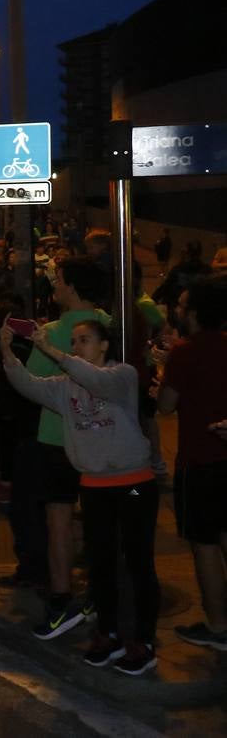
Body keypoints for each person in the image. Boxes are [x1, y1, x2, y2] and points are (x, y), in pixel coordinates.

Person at [1, 318, 160, 674]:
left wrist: (52, 350)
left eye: (84, 340)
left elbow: (97, 382)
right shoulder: (65, 385)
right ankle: (109, 632)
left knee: (136, 560)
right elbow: (27, 385)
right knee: (100, 563)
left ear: (104, 345)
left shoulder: (123, 375)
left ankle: (143, 640)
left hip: (133, 482)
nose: (76, 347)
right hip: (94, 486)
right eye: (73, 341)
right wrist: (6, 349)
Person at [22, 257, 110, 639]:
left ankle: (61, 600)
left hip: (58, 437)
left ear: (71, 286)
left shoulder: (53, 332)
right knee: (102, 519)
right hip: (104, 440)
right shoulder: (110, 323)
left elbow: (30, 381)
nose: (53, 285)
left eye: (58, 280)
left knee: (59, 519)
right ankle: (99, 593)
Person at [158, 273, 227, 652]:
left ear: (196, 313)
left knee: (204, 545)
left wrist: (164, 373)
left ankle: (218, 626)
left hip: (199, 462)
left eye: (183, 305)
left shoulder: (184, 353)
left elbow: (166, 405)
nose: (177, 310)